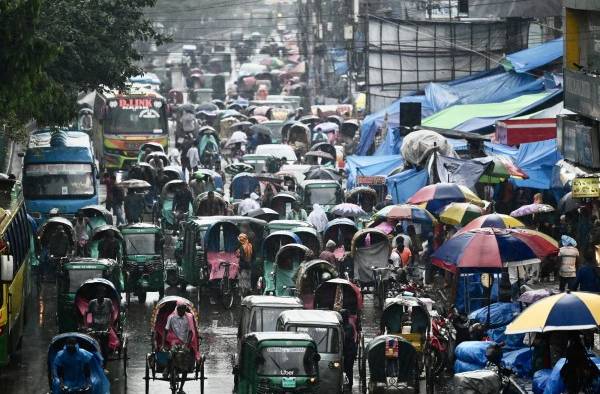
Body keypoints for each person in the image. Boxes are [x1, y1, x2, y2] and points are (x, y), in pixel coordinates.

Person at [163, 303, 194, 393]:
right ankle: (166, 369)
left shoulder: (188, 318)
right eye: (181, 309)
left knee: (185, 366)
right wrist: (163, 343)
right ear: (177, 308)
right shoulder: (171, 317)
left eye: (184, 309)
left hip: (185, 342)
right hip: (174, 341)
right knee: (171, 352)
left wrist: (187, 344)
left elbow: (191, 332)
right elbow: (165, 330)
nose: (182, 311)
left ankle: (181, 388)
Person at [341, 309, 357, 388]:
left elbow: (346, 337)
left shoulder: (349, 327)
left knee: (349, 369)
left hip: (349, 352)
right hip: (343, 351)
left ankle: (350, 384)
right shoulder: (340, 326)